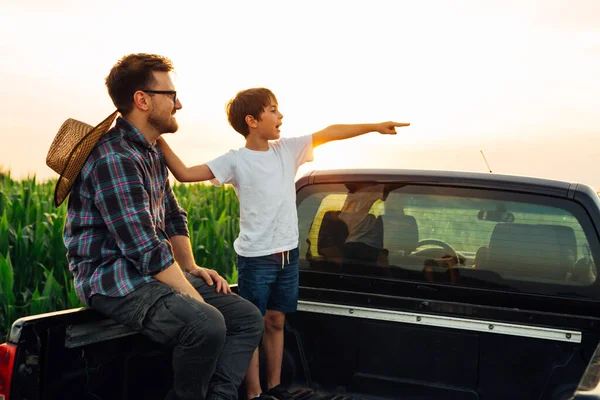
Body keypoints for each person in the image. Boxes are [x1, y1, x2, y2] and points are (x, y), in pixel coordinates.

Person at [157, 87, 410, 399]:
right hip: (256, 259)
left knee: (276, 321)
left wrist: (373, 126)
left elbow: (329, 132)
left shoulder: (286, 150)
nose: (281, 116)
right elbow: (183, 173)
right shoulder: (236, 161)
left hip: (287, 256)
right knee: (252, 326)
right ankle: (254, 392)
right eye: (273, 110)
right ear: (252, 120)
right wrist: (158, 137)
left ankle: (275, 390)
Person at [58, 54, 264, 400]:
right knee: (205, 323)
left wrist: (190, 267)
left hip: (149, 273)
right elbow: (143, 248)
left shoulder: (150, 151)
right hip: (114, 279)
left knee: (247, 317)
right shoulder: (115, 158)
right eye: (171, 95)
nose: (178, 104)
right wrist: (193, 294)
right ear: (142, 100)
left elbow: (171, 215)